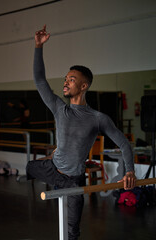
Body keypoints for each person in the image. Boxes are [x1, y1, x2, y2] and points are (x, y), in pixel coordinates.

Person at [26, 25, 136, 240]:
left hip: (74, 179)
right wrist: (38, 47)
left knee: (73, 230)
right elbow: (40, 80)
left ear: (84, 86)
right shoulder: (59, 108)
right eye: (66, 79)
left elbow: (124, 144)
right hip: (52, 168)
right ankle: (49, 161)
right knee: (30, 167)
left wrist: (129, 171)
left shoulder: (98, 118)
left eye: (72, 79)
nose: (66, 82)